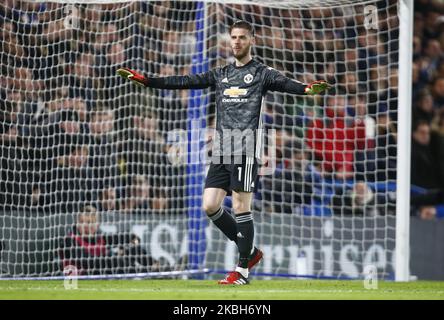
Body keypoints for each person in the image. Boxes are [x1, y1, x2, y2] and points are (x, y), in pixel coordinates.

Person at [117, 20, 329, 285]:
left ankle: (242, 271)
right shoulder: (221, 74)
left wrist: (307, 89)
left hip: (246, 147)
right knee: (210, 205)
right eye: (233, 37)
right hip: (222, 149)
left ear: (252, 40)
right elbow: (185, 81)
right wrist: (148, 81)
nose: (237, 42)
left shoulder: (262, 73)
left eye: (242, 37)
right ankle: (249, 251)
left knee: (241, 206)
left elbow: (287, 84)